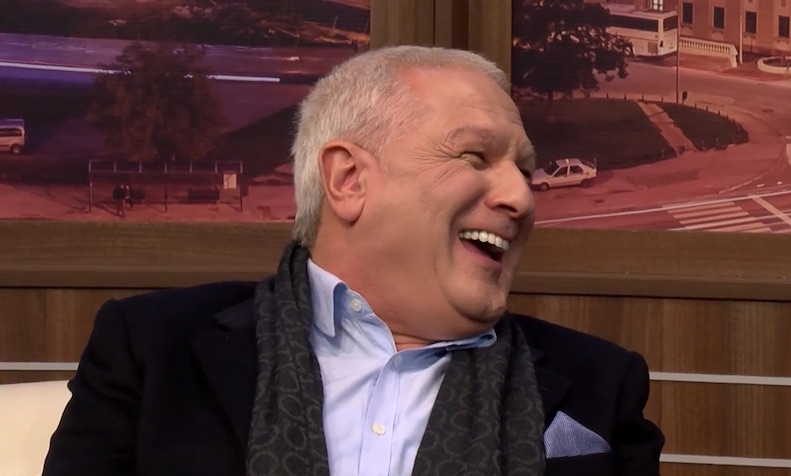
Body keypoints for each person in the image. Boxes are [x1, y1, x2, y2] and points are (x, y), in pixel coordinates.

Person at [42, 46, 663, 476]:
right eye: (476, 157)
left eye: (524, 171)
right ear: (348, 180)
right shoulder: (152, 348)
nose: (522, 198)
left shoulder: (600, 384)